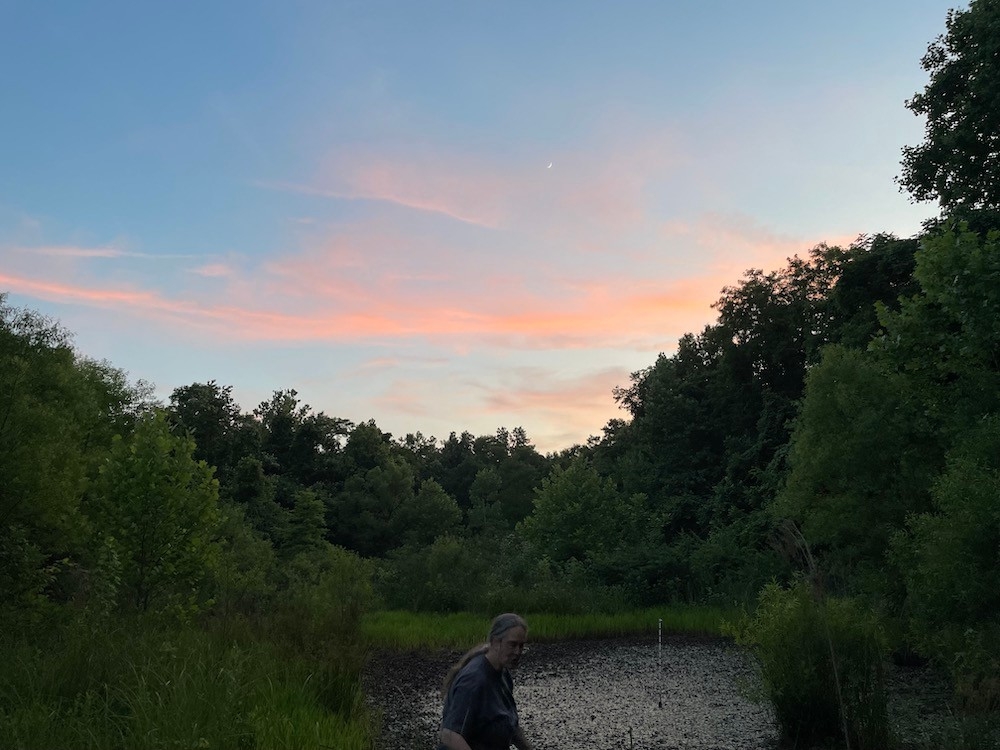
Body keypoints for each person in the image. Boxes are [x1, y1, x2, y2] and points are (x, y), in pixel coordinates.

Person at [437, 613, 535, 750]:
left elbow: (511, 726)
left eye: (521, 646)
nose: (518, 652)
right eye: (512, 645)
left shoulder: (503, 675)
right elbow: (449, 735)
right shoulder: (474, 680)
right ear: (495, 642)